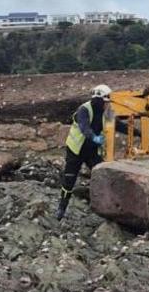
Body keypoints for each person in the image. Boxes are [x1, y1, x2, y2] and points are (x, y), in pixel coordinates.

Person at [55, 84, 128, 220]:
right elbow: (84, 127)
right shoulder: (84, 109)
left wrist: (136, 133)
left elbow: (118, 125)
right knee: (69, 179)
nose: (107, 104)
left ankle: (108, 208)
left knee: (103, 175)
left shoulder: (107, 110)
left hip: (91, 151)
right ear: (99, 100)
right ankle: (61, 208)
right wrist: (94, 136)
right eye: (106, 101)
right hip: (76, 150)